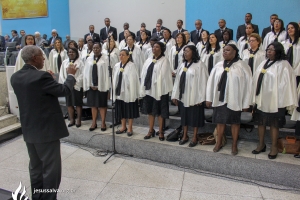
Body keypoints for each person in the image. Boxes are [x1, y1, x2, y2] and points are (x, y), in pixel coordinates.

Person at [11, 45, 77, 200]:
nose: (44, 58)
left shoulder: (16, 77)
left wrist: (48, 78)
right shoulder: (41, 78)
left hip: (29, 130)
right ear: (35, 58)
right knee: (50, 170)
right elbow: (63, 91)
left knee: (36, 168)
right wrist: (71, 76)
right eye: (42, 55)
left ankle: (38, 196)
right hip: (46, 132)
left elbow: (34, 93)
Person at [252, 42, 297, 159]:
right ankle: (261, 144)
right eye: (268, 49)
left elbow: (287, 83)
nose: (269, 51)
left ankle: (274, 147)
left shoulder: (284, 65)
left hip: (276, 101)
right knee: (261, 123)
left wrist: (282, 99)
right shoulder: (263, 62)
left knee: (274, 124)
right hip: (262, 99)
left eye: (272, 49)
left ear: (278, 51)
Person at [206, 44, 252, 155]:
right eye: (224, 50)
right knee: (220, 121)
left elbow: (248, 85)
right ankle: (219, 142)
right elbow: (211, 82)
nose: (225, 52)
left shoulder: (242, 65)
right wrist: (209, 98)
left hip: (234, 99)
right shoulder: (218, 65)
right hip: (219, 99)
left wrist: (246, 103)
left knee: (235, 123)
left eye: (228, 50)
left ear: (235, 52)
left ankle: (234, 144)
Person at [171, 45, 208, 147]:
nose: (185, 53)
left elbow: (204, 81)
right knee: (184, 116)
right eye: (184, 52)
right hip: (183, 96)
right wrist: (175, 95)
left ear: (193, 52)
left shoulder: (200, 65)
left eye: (187, 51)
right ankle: (185, 135)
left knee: (195, 117)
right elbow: (177, 80)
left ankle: (195, 136)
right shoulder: (182, 64)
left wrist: (202, 97)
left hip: (195, 96)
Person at [140, 42, 173, 140]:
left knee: (160, 112)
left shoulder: (164, 60)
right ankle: (151, 130)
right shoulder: (149, 59)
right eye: (153, 46)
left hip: (160, 90)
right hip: (149, 90)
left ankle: (161, 131)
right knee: (150, 111)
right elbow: (143, 73)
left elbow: (163, 76)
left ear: (161, 49)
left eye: (157, 47)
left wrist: (155, 84)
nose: (154, 48)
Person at [112, 49, 140, 136]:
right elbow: (114, 79)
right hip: (119, 91)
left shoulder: (132, 66)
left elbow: (134, 79)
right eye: (120, 55)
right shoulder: (117, 65)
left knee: (129, 109)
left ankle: (130, 127)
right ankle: (123, 126)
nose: (121, 56)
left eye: (123, 55)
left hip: (129, 91)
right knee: (121, 109)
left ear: (128, 56)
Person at [83, 43, 110, 131]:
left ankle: (103, 122)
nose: (95, 50)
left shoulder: (106, 59)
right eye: (94, 48)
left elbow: (107, 74)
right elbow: (86, 73)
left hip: (102, 86)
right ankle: (94, 122)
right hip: (91, 86)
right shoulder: (89, 59)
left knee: (102, 105)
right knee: (93, 105)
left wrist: (103, 86)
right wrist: (89, 84)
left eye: (97, 48)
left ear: (101, 49)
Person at [59, 47, 84, 128]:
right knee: (69, 104)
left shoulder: (80, 62)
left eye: (73, 52)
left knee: (78, 104)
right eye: (69, 52)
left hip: (76, 86)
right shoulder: (64, 62)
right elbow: (62, 74)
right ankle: (71, 119)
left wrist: (74, 82)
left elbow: (83, 74)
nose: (71, 53)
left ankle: (78, 119)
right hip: (67, 86)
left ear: (76, 53)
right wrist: (66, 83)